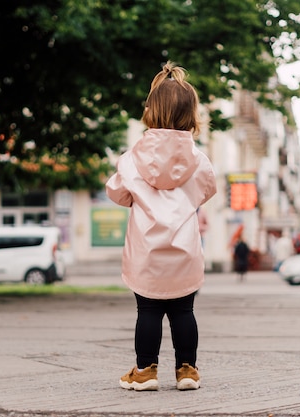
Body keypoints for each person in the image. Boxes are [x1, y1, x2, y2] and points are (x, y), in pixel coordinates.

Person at [106, 61, 217, 391]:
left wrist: (138, 197)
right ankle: (187, 371)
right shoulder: (197, 159)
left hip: (146, 249)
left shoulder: (132, 158)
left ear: (150, 111)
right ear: (191, 114)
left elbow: (116, 191)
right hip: (184, 248)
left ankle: (145, 371)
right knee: (184, 310)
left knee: (148, 309)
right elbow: (208, 188)